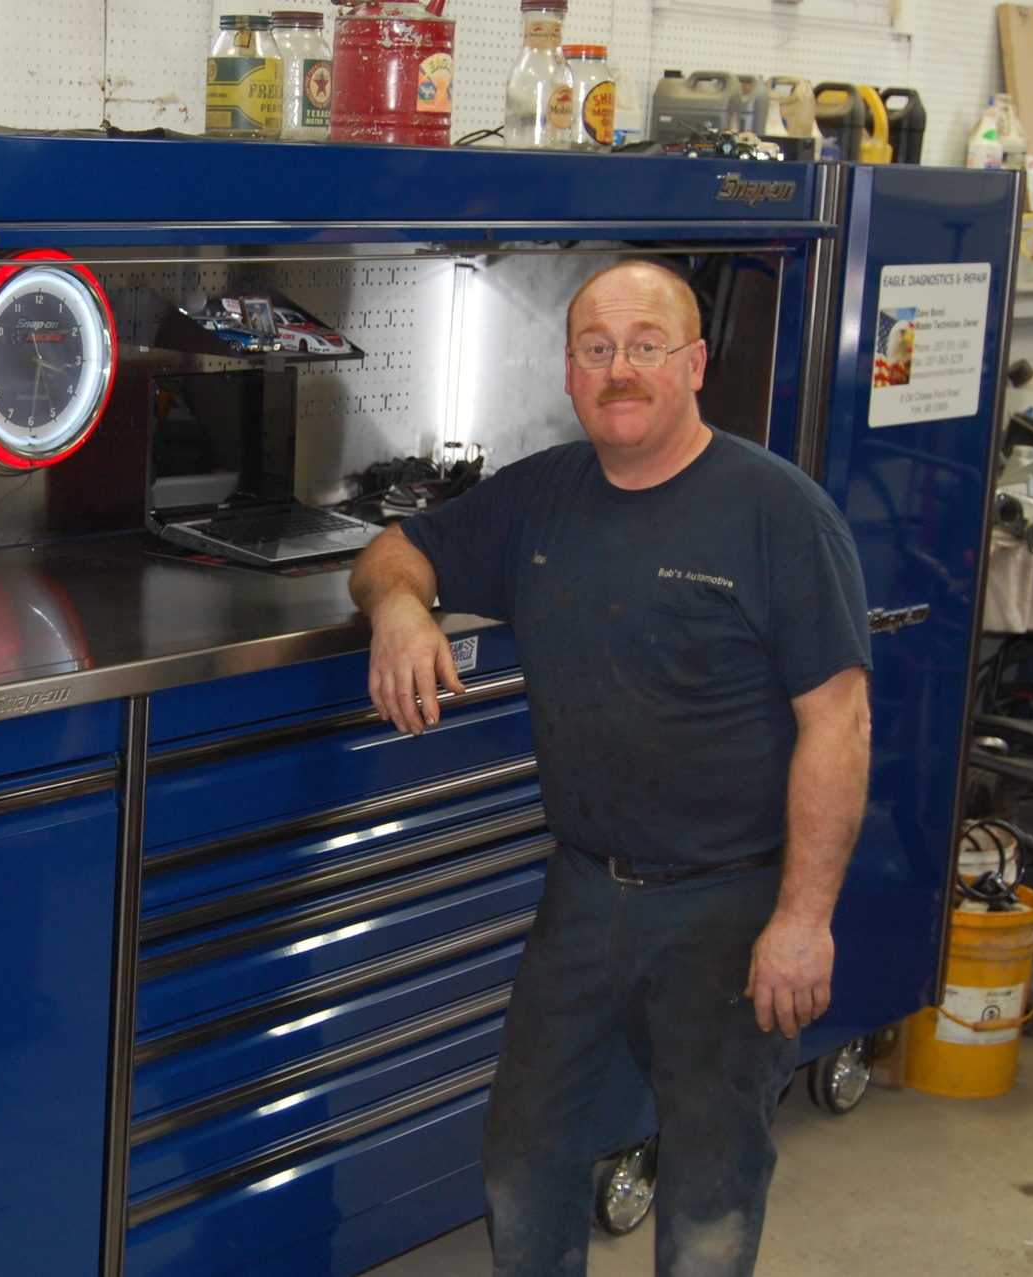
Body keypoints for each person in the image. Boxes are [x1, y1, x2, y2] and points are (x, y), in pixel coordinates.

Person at [347, 260, 872, 1277]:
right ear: (570, 368)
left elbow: (840, 725)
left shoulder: (776, 513)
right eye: (596, 347)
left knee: (711, 1183)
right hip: (587, 890)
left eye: (644, 344)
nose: (618, 368)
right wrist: (401, 607)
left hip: (734, 899)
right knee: (525, 1151)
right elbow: (391, 552)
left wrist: (803, 920)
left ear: (695, 363)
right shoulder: (545, 495)